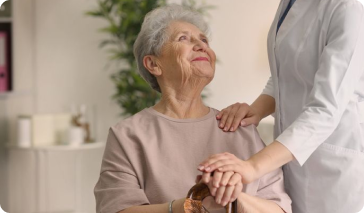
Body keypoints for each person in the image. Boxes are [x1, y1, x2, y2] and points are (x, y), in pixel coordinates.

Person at [94, 4, 292, 213]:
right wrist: (186, 205)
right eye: (183, 38)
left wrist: (233, 198)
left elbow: (280, 209)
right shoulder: (127, 135)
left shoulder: (238, 127)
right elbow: (115, 210)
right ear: (153, 64)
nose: (201, 45)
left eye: (204, 40)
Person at [198, 0, 364, 212]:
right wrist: (256, 110)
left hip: (333, 168)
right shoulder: (289, 3)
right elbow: (284, 75)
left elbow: (326, 110)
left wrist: (252, 166)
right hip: (291, 158)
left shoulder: (347, 7)